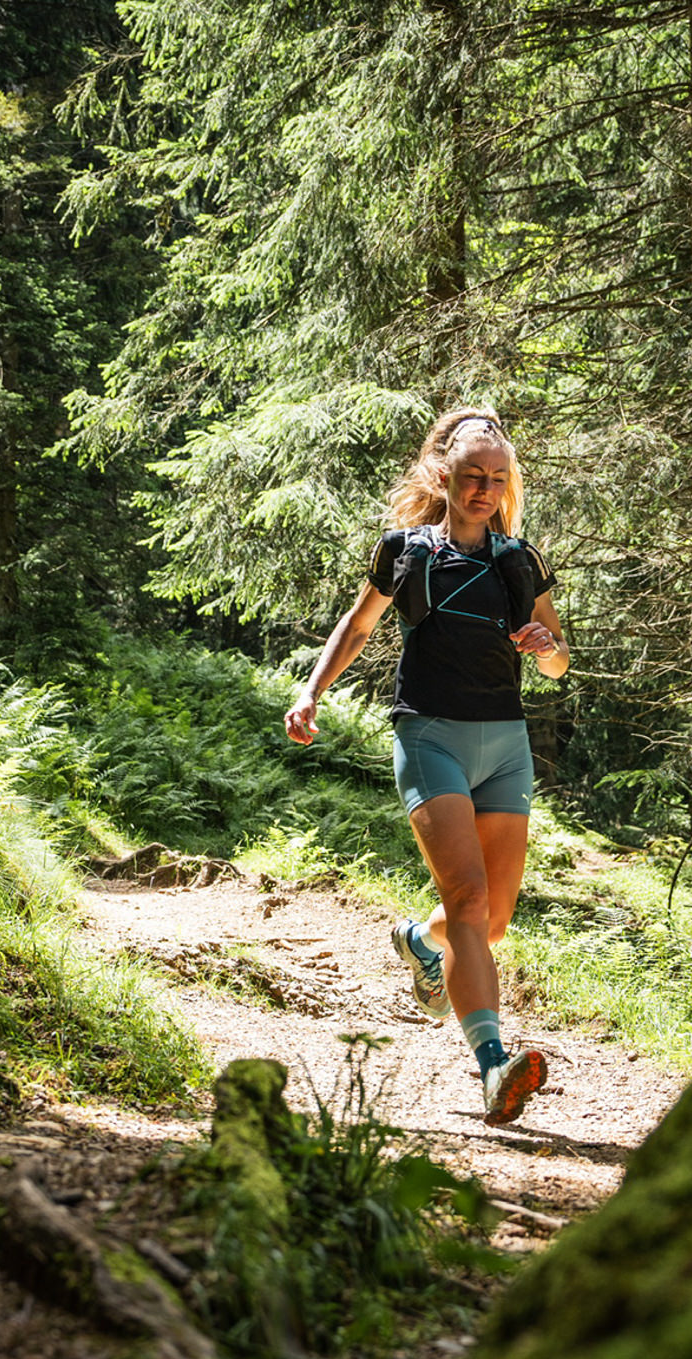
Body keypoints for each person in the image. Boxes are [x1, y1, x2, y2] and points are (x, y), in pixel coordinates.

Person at [284, 408, 570, 1126]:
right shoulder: (405, 550)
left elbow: (560, 661)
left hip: (505, 743)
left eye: (497, 479)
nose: (483, 488)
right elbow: (359, 625)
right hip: (430, 734)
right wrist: (310, 691)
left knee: (492, 920)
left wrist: (543, 646)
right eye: (473, 475)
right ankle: (492, 1066)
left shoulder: (519, 560)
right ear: (444, 475)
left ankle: (419, 940)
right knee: (469, 899)